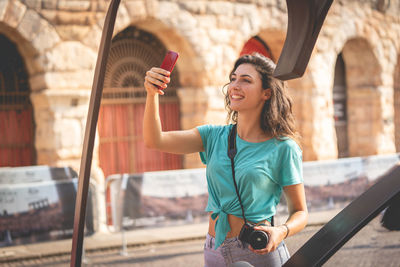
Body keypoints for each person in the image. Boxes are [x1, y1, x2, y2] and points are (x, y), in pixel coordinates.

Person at [143, 53, 308, 267]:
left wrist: (281, 231)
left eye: (246, 80)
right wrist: (152, 93)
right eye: (233, 78)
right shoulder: (213, 136)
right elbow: (155, 140)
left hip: (257, 251)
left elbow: (300, 212)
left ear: (266, 93)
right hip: (214, 250)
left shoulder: (283, 148)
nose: (234, 86)